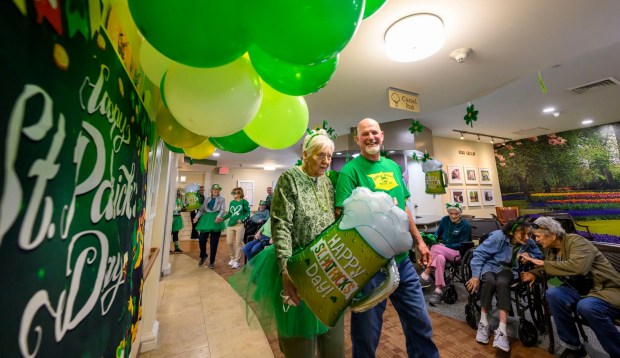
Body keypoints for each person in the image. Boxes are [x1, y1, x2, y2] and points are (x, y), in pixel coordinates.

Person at [229, 128, 342, 358]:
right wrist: (286, 271)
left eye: (329, 156)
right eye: (321, 155)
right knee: (300, 346)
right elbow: (280, 225)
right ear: (306, 154)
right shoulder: (290, 178)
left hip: (324, 268)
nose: (326, 161)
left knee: (333, 343)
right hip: (296, 266)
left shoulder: (328, 184)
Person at [335, 118, 439, 358]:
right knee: (366, 332)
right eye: (365, 134)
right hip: (370, 267)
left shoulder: (392, 167)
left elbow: (404, 207)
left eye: (374, 133)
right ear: (357, 139)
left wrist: (419, 241)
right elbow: (342, 216)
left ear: (382, 136)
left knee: (420, 322)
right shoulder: (350, 171)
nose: (370, 137)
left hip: (402, 261)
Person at [521, 216, 620, 358]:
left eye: (538, 236)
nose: (536, 240)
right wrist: (534, 274)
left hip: (606, 290)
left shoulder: (577, 241)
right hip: (581, 290)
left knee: (586, 307)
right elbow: (553, 271)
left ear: (553, 234)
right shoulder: (551, 250)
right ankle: (574, 348)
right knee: (553, 294)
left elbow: (579, 268)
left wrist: (542, 264)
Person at [465, 218, 543, 353]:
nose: (527, 237)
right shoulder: (498, 237)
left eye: (529, 234)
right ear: (512, 233)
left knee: (502, 283)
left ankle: (502, 330)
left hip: (508, 270)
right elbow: (479, 254)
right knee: (488, 281)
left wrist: (528, 254)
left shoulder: (528, 242)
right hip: (489, 266)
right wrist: (475, 276)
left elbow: (539, 255)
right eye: (522, 234)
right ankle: (483, 323)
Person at [420, 202, 472, 306]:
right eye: (451, 213)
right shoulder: (445, 220)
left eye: (456, 214)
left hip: (456, 252)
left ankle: (426, 272)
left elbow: (462, 244)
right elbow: (437, 232)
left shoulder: (465, 226)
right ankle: (438, 290)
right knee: (439, 258)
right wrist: (433, 238)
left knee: (436, 248)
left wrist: (446, 246)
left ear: (460, 213)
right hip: (441, 251)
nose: (453, 216)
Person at [193, 184, 226, 268]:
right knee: (202, 240)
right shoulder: (207, 199)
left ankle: (212, 261)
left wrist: (219, 216)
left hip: (216, 221)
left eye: (217, 189)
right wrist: (196, 217)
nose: (216, 190)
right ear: (211, 190)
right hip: (206, 220)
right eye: (214, 189)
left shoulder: (222, 199)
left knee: (214, 243)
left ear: (219, 191)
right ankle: (203, 255)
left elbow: (222, 209)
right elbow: (201, 209)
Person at [222, 187, 251, 269]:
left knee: (238, 243)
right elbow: (230, 213)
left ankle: (236, 261)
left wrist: (242, 219)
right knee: (229, 242)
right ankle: (232, 258)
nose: (233, 195)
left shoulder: (244, 202)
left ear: (239, 194)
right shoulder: (232, 202)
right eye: (233, 193)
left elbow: (248, 212)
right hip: (230, 224)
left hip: (240, 226)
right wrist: (223, 218)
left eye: (234, 193)